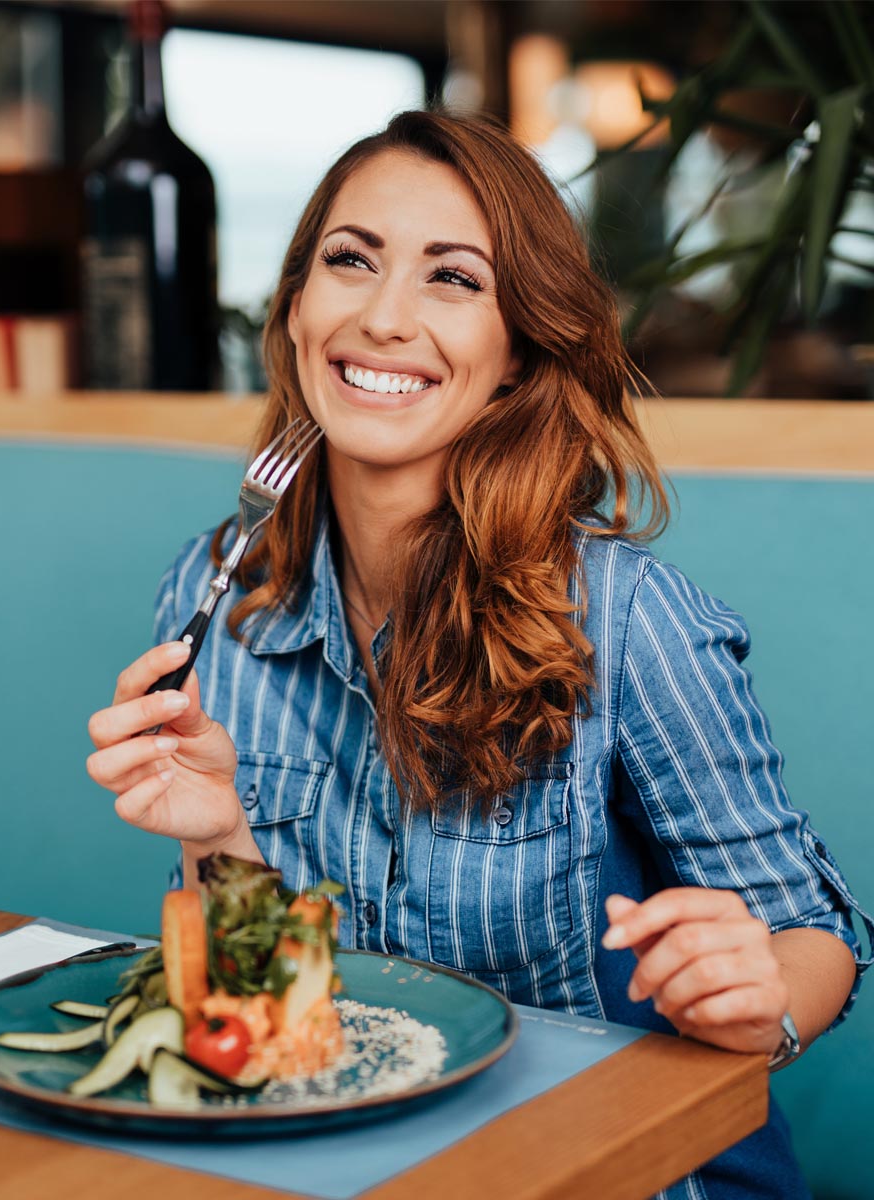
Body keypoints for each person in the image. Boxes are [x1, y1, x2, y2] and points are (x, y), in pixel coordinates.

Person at [86, 110, 869, 1198]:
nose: (384, 315)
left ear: (516, 357)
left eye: (452, 279)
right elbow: (262, 1019)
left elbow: (813, 930)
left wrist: (760, 996)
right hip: (347, 1164)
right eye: (350, 261)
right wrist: (219, 839)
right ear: (300, 308)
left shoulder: (629, 620)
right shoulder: (217, 592)